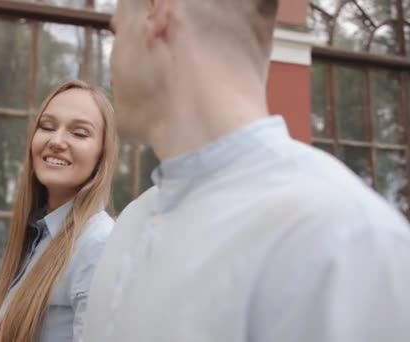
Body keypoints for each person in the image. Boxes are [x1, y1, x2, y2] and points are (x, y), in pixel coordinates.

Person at [83, 1, 410, 341]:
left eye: (116, 31)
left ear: (158, 12)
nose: (111, 62)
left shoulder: (343, 243)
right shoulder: (132, 224)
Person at [0, 80, 118, 342]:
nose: (56, 141)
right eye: (47, 127)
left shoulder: (98, 244)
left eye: (79, 133)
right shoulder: (39, 237)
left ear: (102, 154)